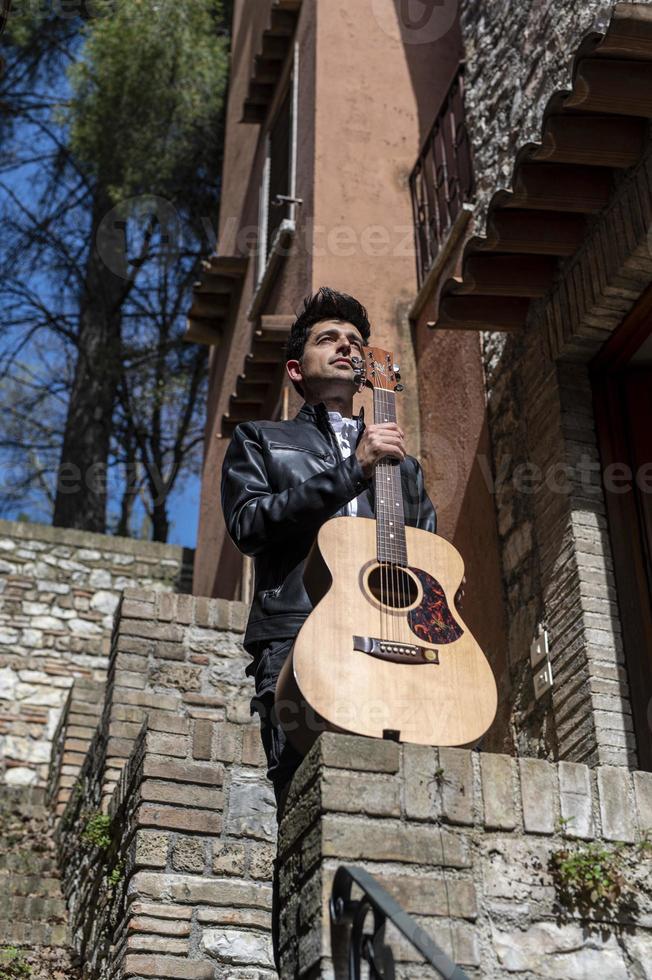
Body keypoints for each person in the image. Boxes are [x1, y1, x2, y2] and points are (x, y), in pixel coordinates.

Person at [221, 286, 437, 813]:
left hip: (394, 642)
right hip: (299, 631)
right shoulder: (260, 439)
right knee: (308, 798)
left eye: (355, 341)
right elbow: (249, 525)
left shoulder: (403, 467)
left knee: (410, 793)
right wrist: (351, 471)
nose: (347, 347)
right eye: (329, 339)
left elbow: (431, 563)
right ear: (296, 369)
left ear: (369, 369)